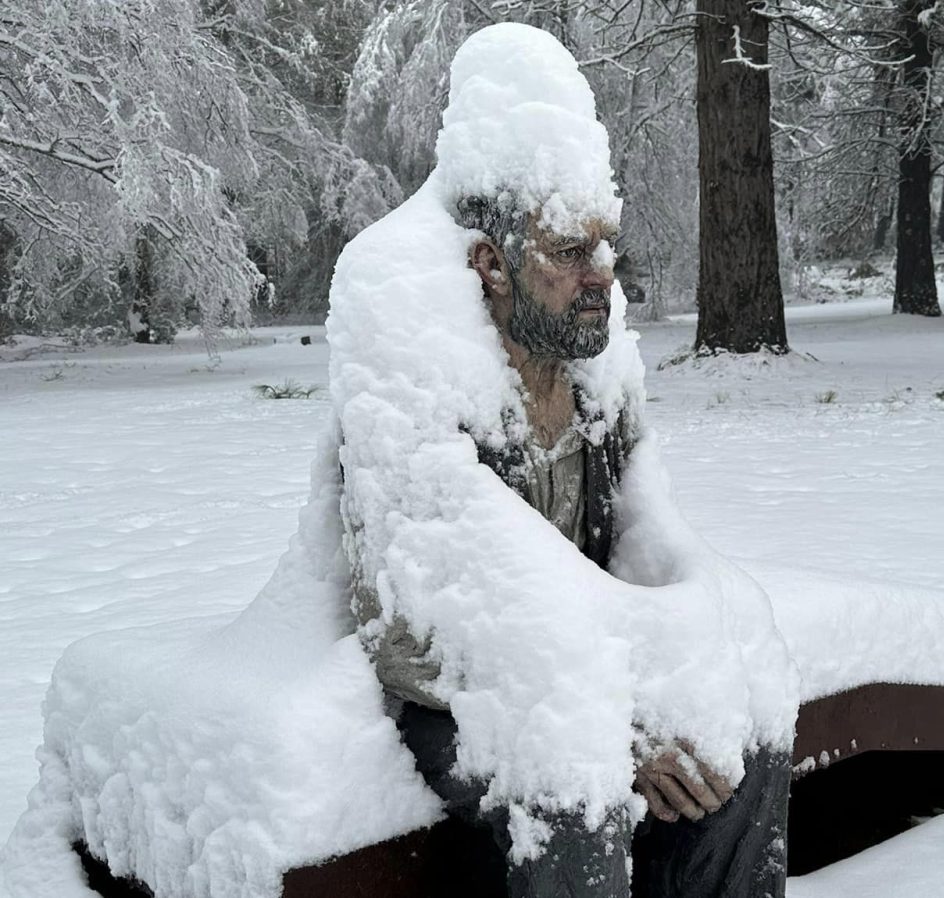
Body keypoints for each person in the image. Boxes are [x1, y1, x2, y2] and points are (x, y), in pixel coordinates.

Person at [333, 22, 794, 898]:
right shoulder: (410, 340)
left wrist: (697, 664)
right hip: (457, 698)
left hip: (593, 672)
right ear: (492, 266)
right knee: (576, 782)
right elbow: (403, 630)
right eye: (571, 252)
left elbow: (646, 535)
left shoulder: (595, 372)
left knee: (751, 734)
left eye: (605, 246)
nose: (603, 276)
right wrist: (608, 718)